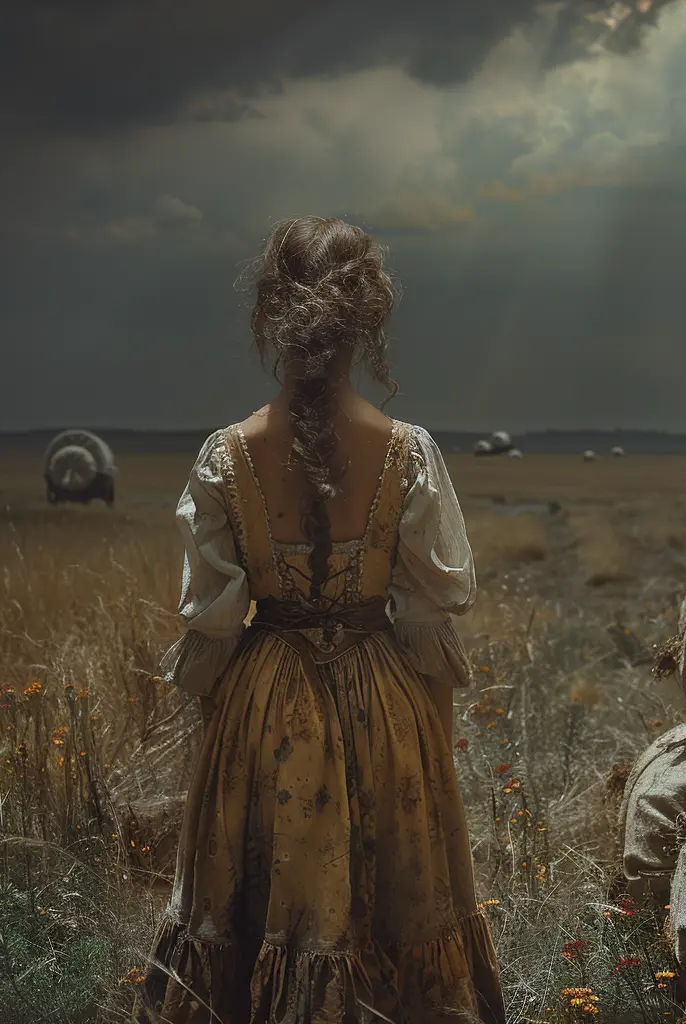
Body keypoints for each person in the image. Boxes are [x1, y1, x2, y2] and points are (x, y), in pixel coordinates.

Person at [142, 217, 506, 1024]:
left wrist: (226, 755)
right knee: (398, 912)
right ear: (369, 315)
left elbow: (212, 636)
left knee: (256, 910)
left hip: (262, 709)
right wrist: (429, 764)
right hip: (389, 711)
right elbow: (426, 630)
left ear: (272, 313)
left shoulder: (225, 456)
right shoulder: (406, 452)